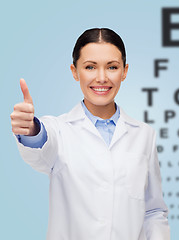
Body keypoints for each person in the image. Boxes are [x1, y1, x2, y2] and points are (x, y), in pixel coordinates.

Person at [10, 28, 170, 240]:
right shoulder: (59, 130)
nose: (102, 78)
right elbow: (40, 148)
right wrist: (30, 129)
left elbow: (153, 211)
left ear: (125, 71)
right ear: (75, 71)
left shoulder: (144, 136)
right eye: (90, 67)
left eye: (112, 67)